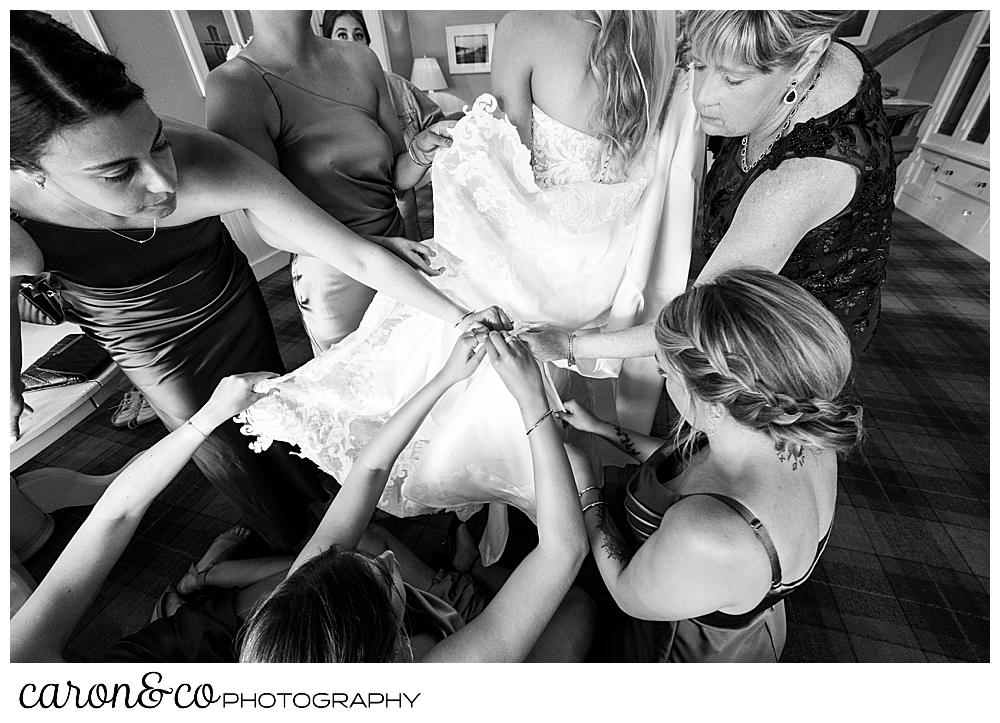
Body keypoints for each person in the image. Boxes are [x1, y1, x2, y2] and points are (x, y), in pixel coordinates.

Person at [9, 11, 508, 551]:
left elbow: (357, 258)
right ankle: (295, 547)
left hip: (225, 296)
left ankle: (338, 523)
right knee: (222, 450)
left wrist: (462, 318)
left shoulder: (206, 159)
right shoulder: (14, 224)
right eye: (117, 173)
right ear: (26, 169)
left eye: (157, 143)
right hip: (140, 333)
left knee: (279, 415)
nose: (162, 180)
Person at [239, 10, 695, 564]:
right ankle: (554, 503)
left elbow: (506, 169)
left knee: (455, 366)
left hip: (518, 260)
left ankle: (508, 504)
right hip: (593, 271)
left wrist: (462, 151)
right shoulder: (662, 40)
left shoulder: (527, 27)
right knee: (530, 380)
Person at [522, 10, 894, 368]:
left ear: (808, 56)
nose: (702, 96)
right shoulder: (797, 59)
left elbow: (698, 316)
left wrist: (570, 344)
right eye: (699, 65)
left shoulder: (799, 182)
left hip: (791, 341)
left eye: (733, 79)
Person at [557, 267, 863, 662]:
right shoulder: (803, 432)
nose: (664, 384)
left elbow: (625, 592)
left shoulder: (707, 536)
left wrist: (585, 487)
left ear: (714, 406)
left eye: (665, 374)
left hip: (679, 645)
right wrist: (600, 428)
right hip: (732, 597)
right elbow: (685, 467)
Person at [239, 333, 592, 663]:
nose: (391, 557)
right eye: (386, 577)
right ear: (391, 649)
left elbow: (371, 470)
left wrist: (445, 377)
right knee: (579, 606)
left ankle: (465, 581)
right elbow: (564, 550)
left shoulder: (302, 603)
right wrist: (533, 401)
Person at [207, 10, 454, 354]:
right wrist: (378, 247)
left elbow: (396, 178)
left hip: (403, 257)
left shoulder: (362, 59)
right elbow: (269, 225)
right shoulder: (236, 84)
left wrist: (420, 152)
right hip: (336, 279)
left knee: (427, 367)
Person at [11, 372, 275, 662]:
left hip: (188, 646)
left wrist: (210, 415)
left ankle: (203, 580)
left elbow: (114, 516)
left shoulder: (16, 658)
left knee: (324, 571)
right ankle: (200, 582)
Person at [322, 9, 447, 242]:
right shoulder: (318, 97)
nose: (352, 42)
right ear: (326, 41)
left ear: (368, 42)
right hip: (350, 226)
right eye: (342, 35)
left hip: (403, 211)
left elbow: (438, 125)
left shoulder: (397, 88)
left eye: (358, 35)